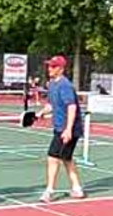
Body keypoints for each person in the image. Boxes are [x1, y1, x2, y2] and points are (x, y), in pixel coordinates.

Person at [36, 55, 85, 203]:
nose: (49, 68)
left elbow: (72, 106)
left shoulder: (65, 85)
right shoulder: (51, 84)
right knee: (66, 158)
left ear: (61, 69)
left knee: (53, 157)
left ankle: (49, 191)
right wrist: (40, 113)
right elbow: (51, 105)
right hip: (59, 127)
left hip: (68, 128)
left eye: (53, 66)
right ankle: (77, 188)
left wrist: (68, 129)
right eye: (49, 66)